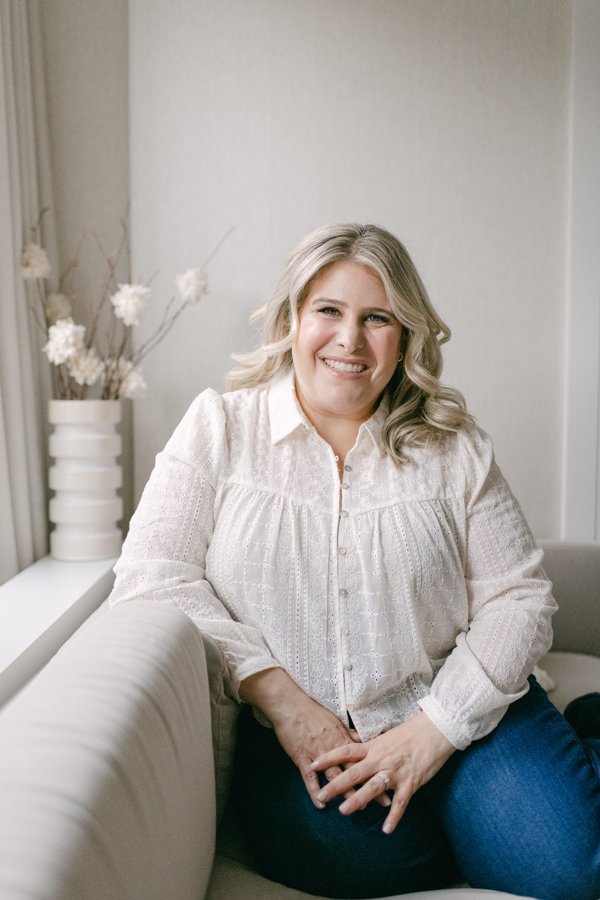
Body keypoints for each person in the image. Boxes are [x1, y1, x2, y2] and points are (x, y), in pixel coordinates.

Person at [108, 223, 600, 900]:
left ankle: (573, 742)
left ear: (405, 337)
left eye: (377, 318)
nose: (350, 340)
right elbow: (150, 574)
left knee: (570, 870)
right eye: (329, 312)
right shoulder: (220, 428)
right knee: (355, 864)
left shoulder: (452, 446)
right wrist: (279, 697)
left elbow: (518, 597)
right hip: (305, 734)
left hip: (459, 711)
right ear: (292, 320)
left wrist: (434, 732)